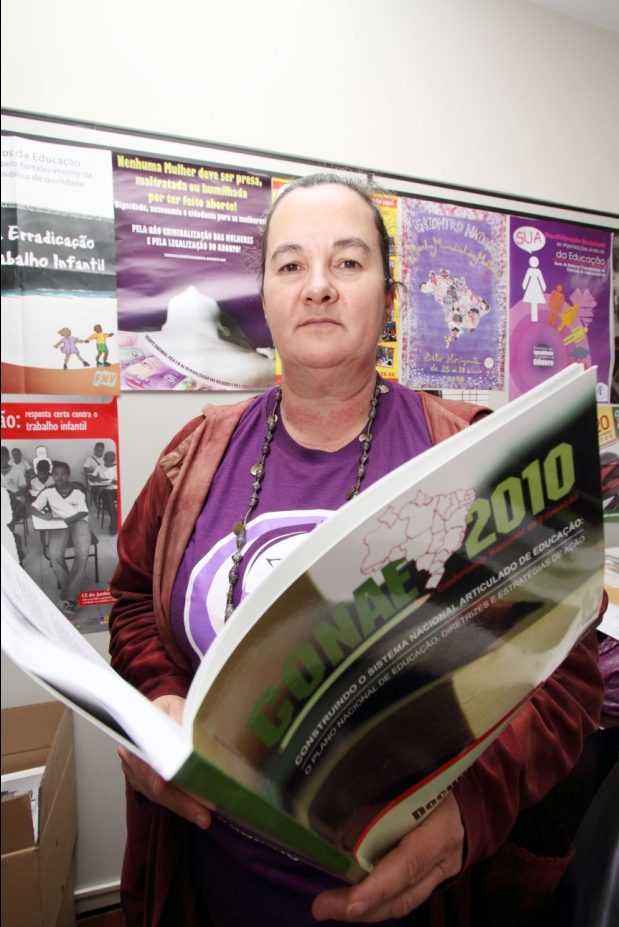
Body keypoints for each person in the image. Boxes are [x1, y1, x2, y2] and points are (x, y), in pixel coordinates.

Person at [109, 174, 605, 927]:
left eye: (347, 262)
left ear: (390, 296)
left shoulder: (475, 453)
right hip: (209, 891)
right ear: (264, 298)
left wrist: (466, 814)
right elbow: (132, 604)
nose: (318, 287)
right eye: (290, 265)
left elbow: (566, 677)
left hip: (415, 896)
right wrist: (156, 701)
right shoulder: (194, 456)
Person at [28, 461, 91, 617]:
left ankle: (66, 597)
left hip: (79, 522)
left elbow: (83, 512)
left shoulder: (77, 491)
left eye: (63, 474)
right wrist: (43, 515)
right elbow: (31, 507)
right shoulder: (47, 491)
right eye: (56, 474)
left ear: (68, 475)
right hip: (58, 524)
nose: (59, 477)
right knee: (54, 553)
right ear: (52, 475)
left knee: (83, 552)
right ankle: (70, 595)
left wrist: (66, 521)